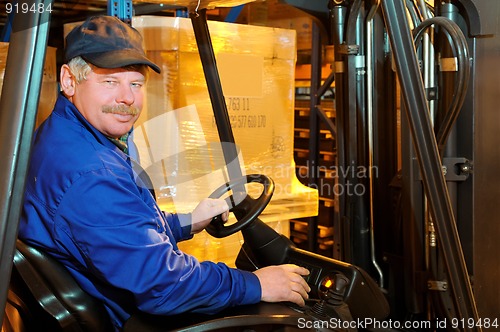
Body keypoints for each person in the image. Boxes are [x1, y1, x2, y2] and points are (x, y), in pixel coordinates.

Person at [18, 15, 310, 330]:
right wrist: (256, 284)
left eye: (135, 83)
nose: (127, 98)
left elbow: (122, 229)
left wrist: (186, 222)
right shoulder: (91, 173)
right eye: (110, 82)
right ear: (69, 81)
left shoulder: (71, 136)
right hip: (131, 318)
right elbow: (162, 284)